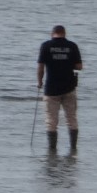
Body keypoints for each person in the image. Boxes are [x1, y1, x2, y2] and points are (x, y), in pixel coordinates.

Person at [36, 25, 82, 153]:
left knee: (51, 120)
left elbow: (41, 67)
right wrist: (67, 63)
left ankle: (52, 149)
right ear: (64, 33)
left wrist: (39, 82)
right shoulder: (72, 46)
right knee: (71, 118)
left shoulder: (46, 46)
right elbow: (79, 66)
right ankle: (73, 148)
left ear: (52, 33)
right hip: (69, 87)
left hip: (51, 88)